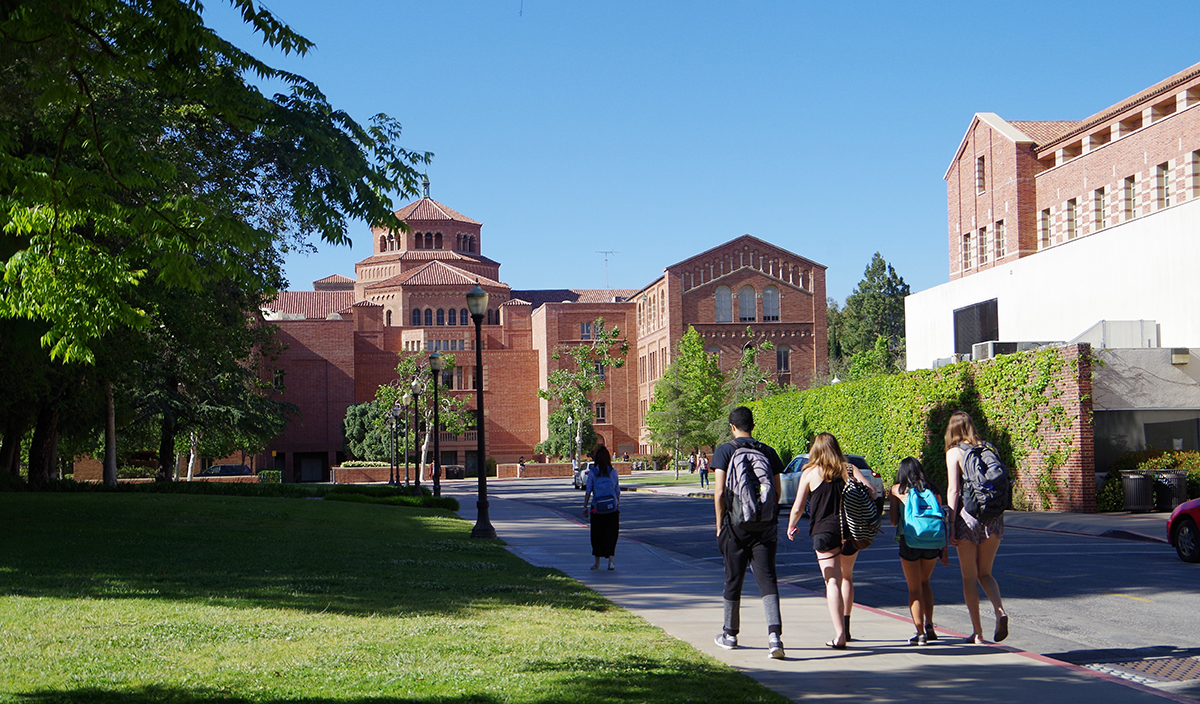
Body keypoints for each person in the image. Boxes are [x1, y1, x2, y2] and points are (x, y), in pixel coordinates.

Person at [786, 432, 877, 649]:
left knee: (832, 581)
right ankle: (846, 626)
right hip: (850, 531)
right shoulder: (848, 469)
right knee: (847, 577)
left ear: (815, 450)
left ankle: (839, 635)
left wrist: (791, 525)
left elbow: (798, 506)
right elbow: (872, 492)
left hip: (824, 531)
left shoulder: (809, 473)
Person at [712, 407, 786, 660]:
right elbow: (777, 491)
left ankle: (730, 634)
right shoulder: (768, 451)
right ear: (753, 426)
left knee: (733, 579)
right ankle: (774, 638)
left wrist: (719, 525)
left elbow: (720, 492)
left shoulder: (725, 451)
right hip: (765, 527)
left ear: (732, 427)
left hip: (736, 526)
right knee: (768, 579)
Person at [945, 411, 1009, 643]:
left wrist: (951, 523)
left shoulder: (954, 452)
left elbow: (954, 490)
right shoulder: (989, 448)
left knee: (969, 577)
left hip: (968, 518)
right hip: (994, 517)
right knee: (986, 573)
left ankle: (977, 632)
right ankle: (999, 611)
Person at [889, 457, 949, 646]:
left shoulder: (898, 490)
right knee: (925, 583)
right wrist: (944, 548)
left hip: (910, 542)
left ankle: (920, 633)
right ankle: (929, 624)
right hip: (933, 543)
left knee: (914, 589)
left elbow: (893, 521)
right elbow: (941, 519)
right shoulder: (934, 491)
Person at [583, 446, 620, 570]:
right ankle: (611, 562)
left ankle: (597, 563)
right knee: (611, 534)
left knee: (596, 534)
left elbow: (588, 491)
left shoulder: (593, 472)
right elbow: (617, 491)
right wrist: (617, 506)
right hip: (612, 509)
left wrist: (585, 507)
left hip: (596, 509)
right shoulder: (613, 472)